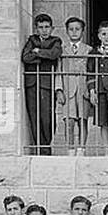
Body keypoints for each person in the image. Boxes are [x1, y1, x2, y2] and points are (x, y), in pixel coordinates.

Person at [21, 12, 61, 152]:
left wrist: (37, 52)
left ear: (52, 28)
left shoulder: (55, 41)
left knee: (47, 117)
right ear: (36, 29)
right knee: (34, 116)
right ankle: (39, 147)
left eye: (47, 27)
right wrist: (41, 56)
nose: (44, 30)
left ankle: (47, 146)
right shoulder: (31, 40)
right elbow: (26, 57)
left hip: (47, 84)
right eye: (41, 27)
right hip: (32, 83)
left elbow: (54, 54)